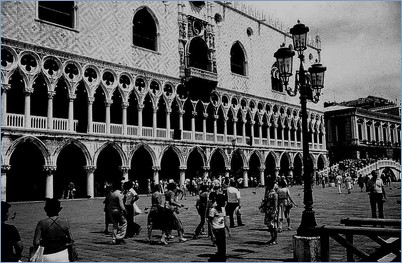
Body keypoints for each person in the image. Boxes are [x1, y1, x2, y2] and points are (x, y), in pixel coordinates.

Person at [208, 194, 230, 262]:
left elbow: (224, 220)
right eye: (223, 202)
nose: (224, 204)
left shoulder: (223, 209)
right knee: (220, 247)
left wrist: (228, 230)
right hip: (216, 230)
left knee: (223, 247)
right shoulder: (212, 210)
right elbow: (210, 222)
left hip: (222, 229)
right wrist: (212, 234)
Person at [106, 180, 127, 244]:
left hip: (112, 211)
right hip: (118, 211)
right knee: (124, 223)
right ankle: (119, 237)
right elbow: (121, 205)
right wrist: (124, 210)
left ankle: (114, 239)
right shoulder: (119, 194)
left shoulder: (112, 194)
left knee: (115, 225)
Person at [261, 177, 278, 245]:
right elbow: (265, 199)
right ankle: (272, 238)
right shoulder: (268, 192)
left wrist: (275, 211)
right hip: (268, 210)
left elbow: (276, 204)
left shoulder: (274, 193)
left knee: (274, 225)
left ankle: (275, 239)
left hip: (272, 210)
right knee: (269, 225)